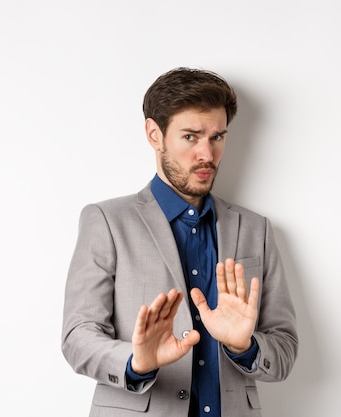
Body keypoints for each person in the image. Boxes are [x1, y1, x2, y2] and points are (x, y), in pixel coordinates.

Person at [61, 67, 298, 417]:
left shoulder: (255, 229)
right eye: (191, 137)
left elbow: (284, 347)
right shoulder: (107, 221)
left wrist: (244, 345)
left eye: (217, 137)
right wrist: (136, 362)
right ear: (154, 134)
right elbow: (78, 337)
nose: (207, 154)